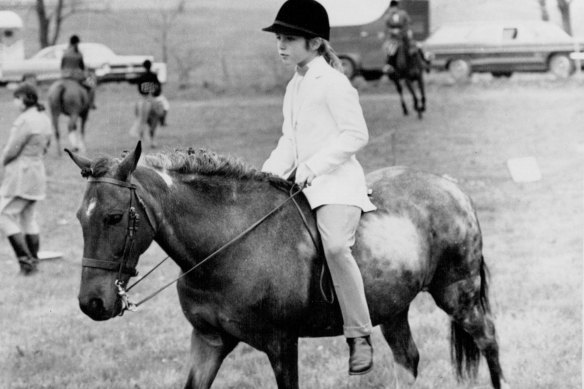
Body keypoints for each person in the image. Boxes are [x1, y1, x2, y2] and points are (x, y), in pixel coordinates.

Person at [261, 0, 376, 375]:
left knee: (336, 247)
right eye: (279, 37)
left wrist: (314, 166)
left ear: (314, 43)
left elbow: (356, 134)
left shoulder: (334, 82)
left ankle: (359, 335)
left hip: (337, 185)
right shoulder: (295, 84)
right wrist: (267, 175)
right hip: (303, 184)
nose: (281, 45)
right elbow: (289, 140)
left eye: (289, 38)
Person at [0, 83, 52, 275]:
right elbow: (47, 146)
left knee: (3, 215)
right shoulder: (44, 118)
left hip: (21, 173)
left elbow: (12, 150)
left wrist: (2, 163)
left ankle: (26, 263)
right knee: (27, 218)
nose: (15, 102)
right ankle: (34, 262)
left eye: (16, 98)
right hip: (37, 170)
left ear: (23, 99)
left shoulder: (25, 120)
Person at [383, 0, 430, 71]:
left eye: (394, 7)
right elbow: (386, 28)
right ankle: (390, 66)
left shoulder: (403, 14)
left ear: (397, 7)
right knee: (390, 50)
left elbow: (408, 23)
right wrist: (392, 31)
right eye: (392, 7)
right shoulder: (387, 17)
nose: (393, 9)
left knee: (415, 47)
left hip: (404, 36)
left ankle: (422, 62)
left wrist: (407, 31)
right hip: (394, 39)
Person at [60, 34, 96, 109]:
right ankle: (91, 103)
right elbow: (82, 67)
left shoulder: (65, 53)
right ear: (76, 43)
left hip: (64, 76)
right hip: (76, 76)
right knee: (91, 84)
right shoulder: (78, 54)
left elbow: (62, 66)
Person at [131, 60, 169, 126]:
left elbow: (139, 89)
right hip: (154, 96)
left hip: (144, 97)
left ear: (144, 67)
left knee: (137, 108)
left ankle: (139, 119)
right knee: (166, 106)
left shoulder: (141, 76)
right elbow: (158, 86)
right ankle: (162, 122)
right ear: (150, 66)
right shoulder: (153, 76)